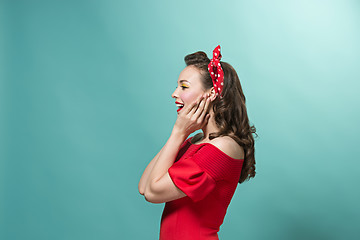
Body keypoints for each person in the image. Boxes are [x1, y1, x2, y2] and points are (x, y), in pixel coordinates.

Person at [138, 45, 257, 240]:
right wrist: (180, 134)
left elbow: (153, 193)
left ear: (210, 94)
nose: (174, 93)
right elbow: (144, 186)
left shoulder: (224, 147)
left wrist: (178, 132)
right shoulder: (197, 140)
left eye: (183, 86)